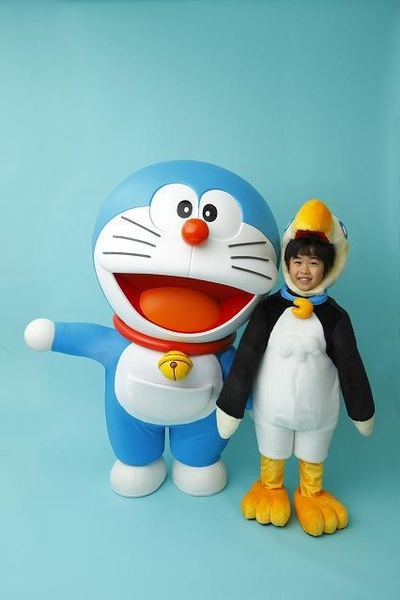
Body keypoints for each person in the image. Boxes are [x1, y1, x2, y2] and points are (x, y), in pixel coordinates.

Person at [216, 199, 375, 536]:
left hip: (319, 413)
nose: (305, 270)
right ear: (287, 263)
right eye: (298, 261)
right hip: (271, 410)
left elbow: (351, 366)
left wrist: (361, 410)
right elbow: (246, 359)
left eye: (314, 262)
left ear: (328, 268)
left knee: (313, 453)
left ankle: (311, 493)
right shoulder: (268, 310)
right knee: (271, 449)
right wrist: (231, 406)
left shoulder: (336, 318)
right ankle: (270, 486)